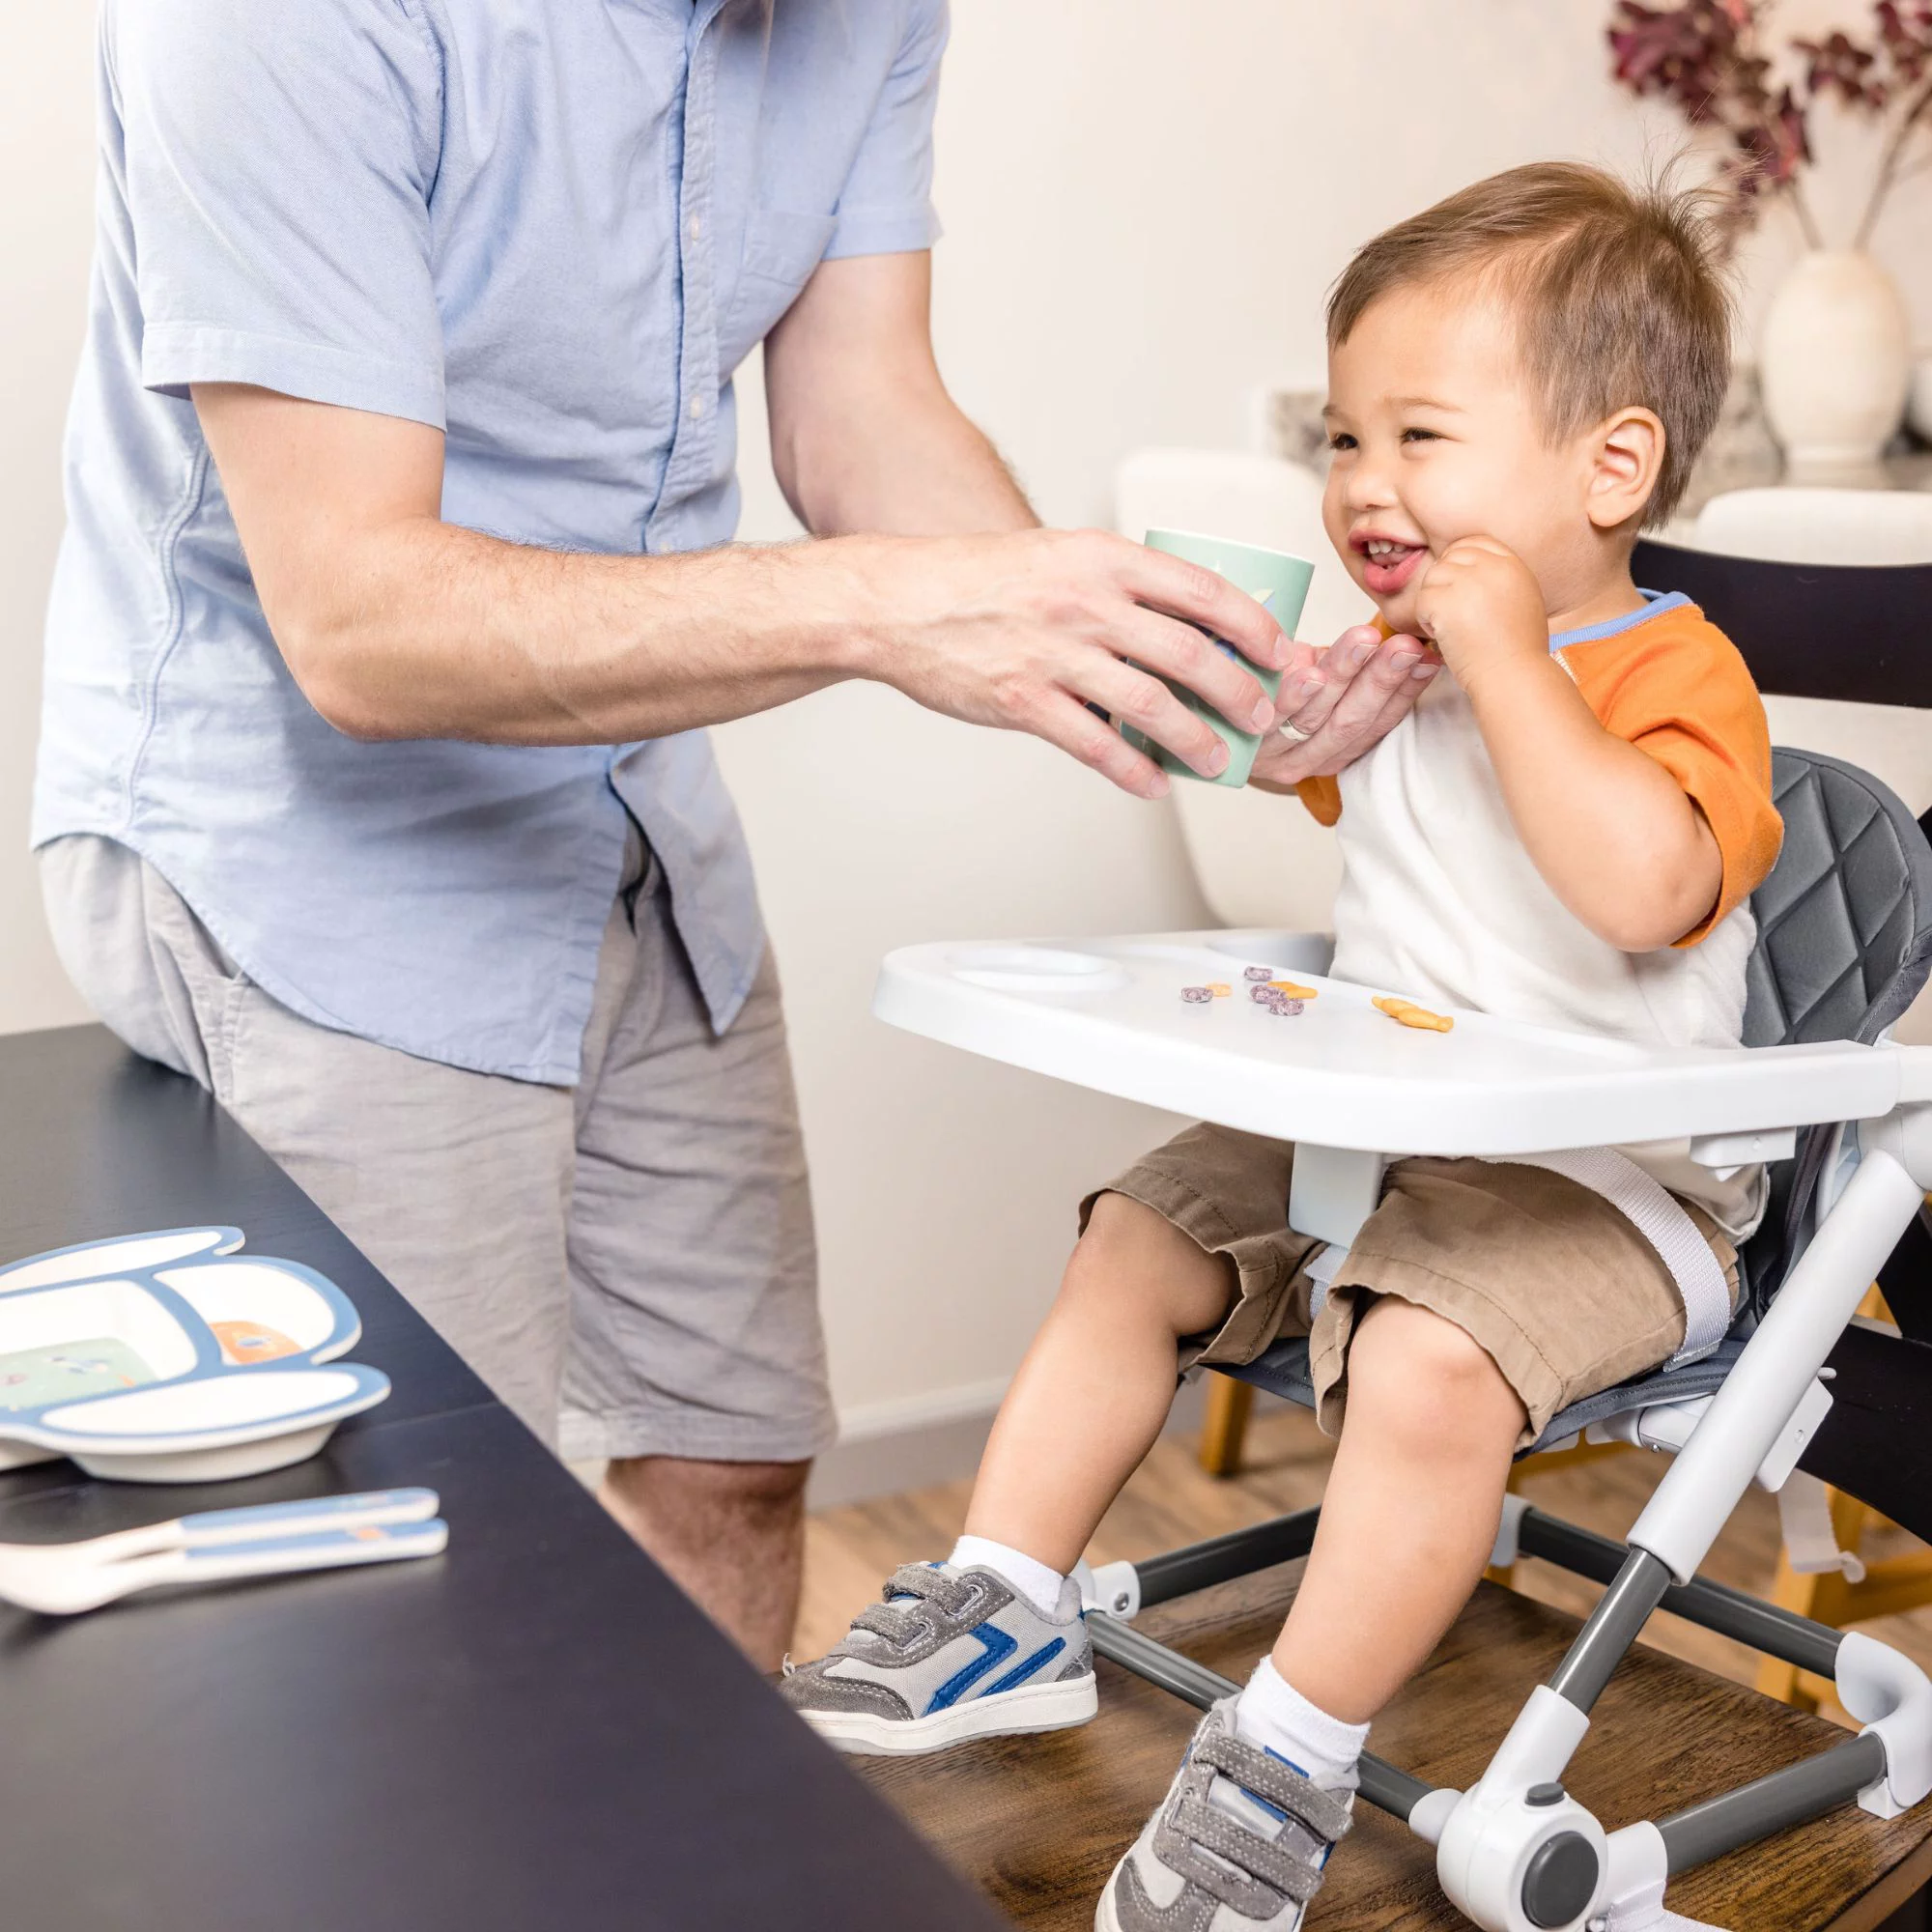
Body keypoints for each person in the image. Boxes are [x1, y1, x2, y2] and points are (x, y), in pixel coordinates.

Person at [33, 0, 1428, 1672]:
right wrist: (883, 610)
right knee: (417, 1546)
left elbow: (862, 415)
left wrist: (1148, 665)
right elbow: (357, 623)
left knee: (736, 1457)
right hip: (310, 857)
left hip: (632, 817)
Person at [781, 161, 1784, 1929]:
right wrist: (1284, 713)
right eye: (1342, 440)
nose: (1364, 484)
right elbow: (1286, 769)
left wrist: (1509, 661)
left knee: (1420, 1363)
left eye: (1420, 438)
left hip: (1614, 1186)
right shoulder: (1408, 660)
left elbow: (1644, 890)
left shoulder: (1670, 673)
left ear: (1611, 468)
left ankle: (1287, 1756)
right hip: (1385, 1137)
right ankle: (1005, 1606)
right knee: (1135, 1233)